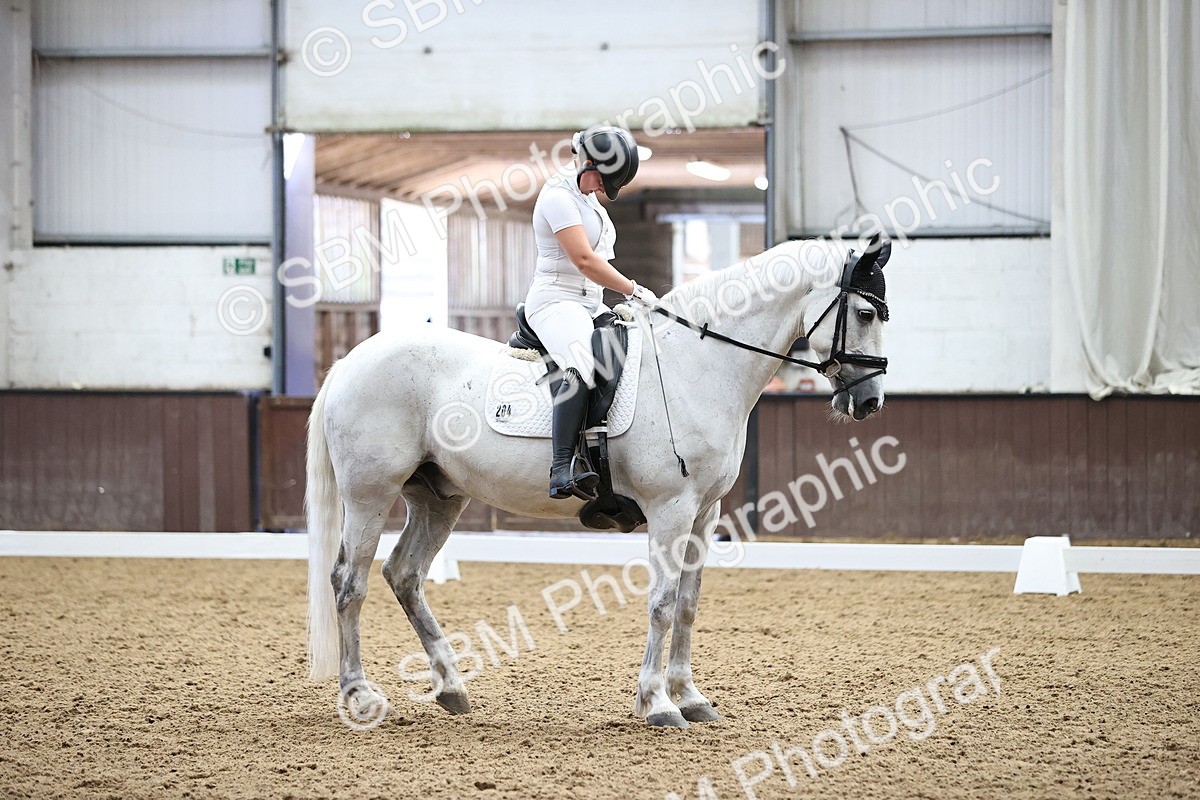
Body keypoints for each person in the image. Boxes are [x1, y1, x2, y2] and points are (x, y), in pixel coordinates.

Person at [525, 125, 658, 500]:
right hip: (555, 301)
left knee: (629, 348)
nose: (603, 188)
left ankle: (601, 447)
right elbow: (584, 260)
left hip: (588, 302)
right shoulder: (558, 198)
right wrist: (633, 289)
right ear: (587, 163)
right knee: (582, 364)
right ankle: (561, 467)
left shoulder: (588, 199)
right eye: (603, 179)